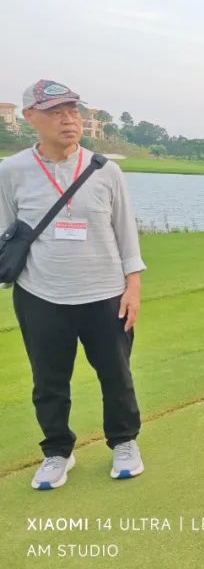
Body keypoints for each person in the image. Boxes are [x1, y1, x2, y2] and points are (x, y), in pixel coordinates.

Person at [0, 80, 146, 490]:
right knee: (48, 381)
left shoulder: (106, 169)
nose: (69, 119)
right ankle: (57, 452)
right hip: (40, 295)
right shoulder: (11, 171)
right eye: (55, 112)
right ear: (31, 118)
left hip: (105, 294)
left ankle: (123, 442)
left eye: (74, 111)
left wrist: (132, 287)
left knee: (116, 374)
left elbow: (125, 232)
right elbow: (5, 232)